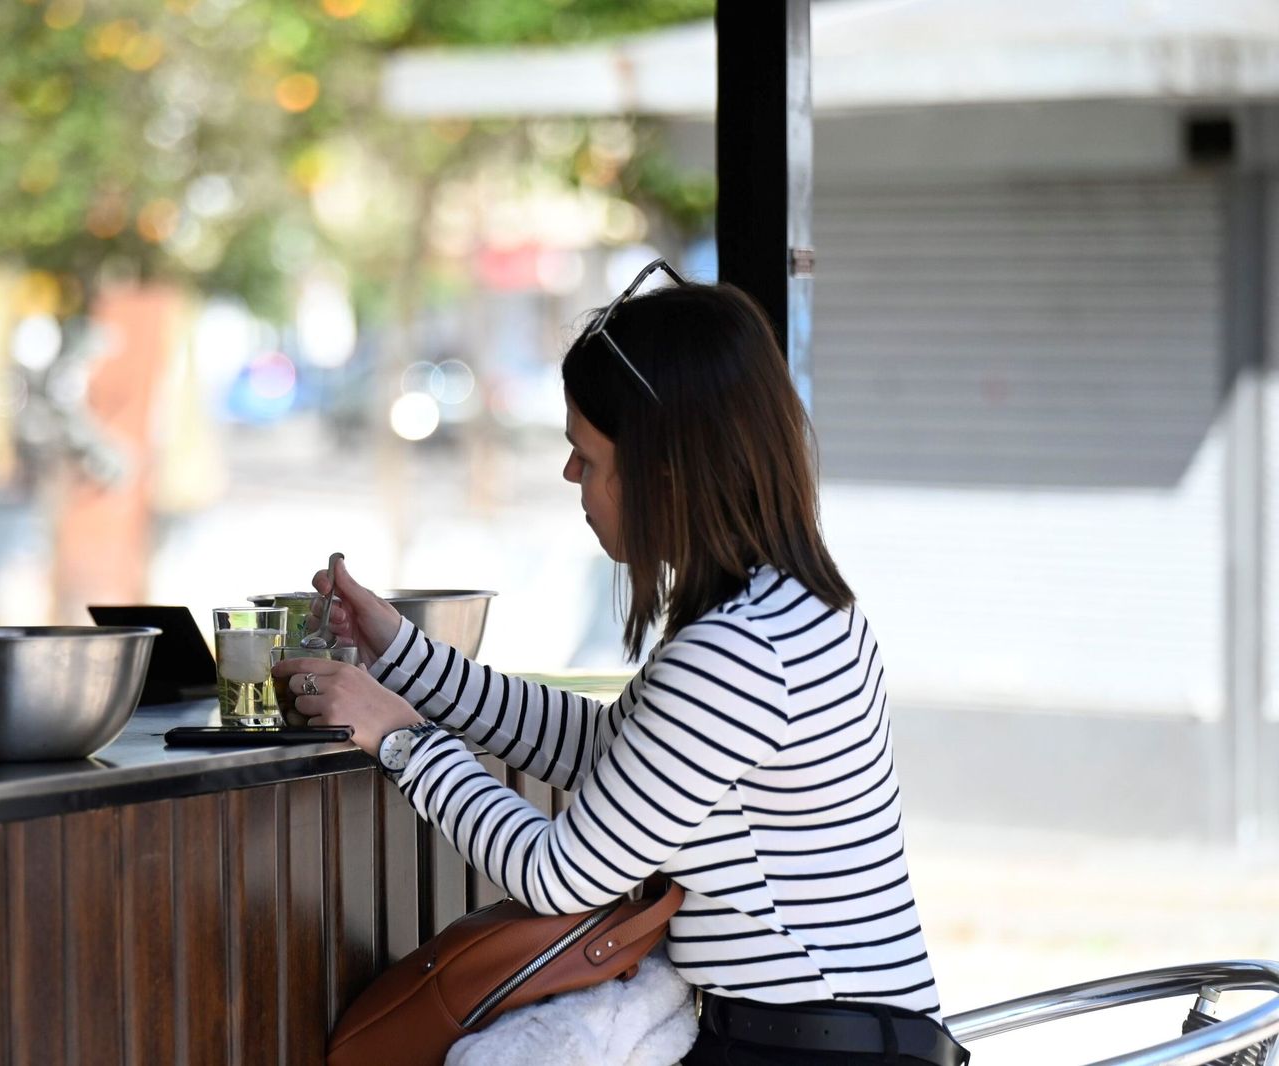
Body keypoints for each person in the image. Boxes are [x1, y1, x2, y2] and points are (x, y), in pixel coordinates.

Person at [271, 262, 968, 1066]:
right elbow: (606, 753)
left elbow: (559, 873)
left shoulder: (737, 654)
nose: (571, 476)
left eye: (587, 456)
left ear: (664, 467)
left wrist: (399, 738)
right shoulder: (793, 611)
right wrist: (399, 651)